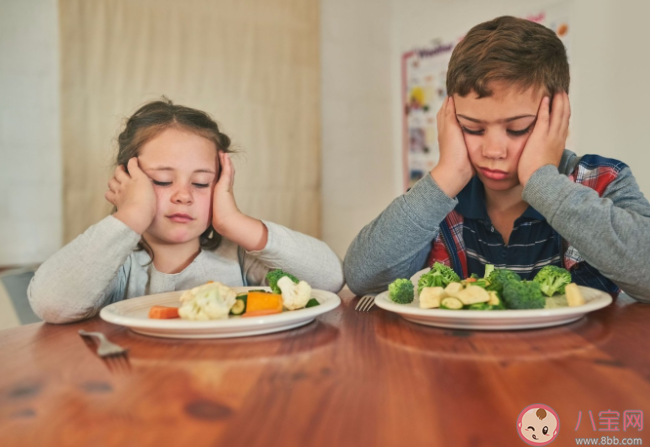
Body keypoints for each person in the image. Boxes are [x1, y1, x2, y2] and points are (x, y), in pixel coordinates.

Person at [343, 16, 650, 301]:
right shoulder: (440, 198)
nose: (493, 150)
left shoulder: (604, 179)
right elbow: (363, 277)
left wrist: (542, 180)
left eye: (517, 128)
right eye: (472, 128)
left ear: (559, 118)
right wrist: (446, 175)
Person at [29, 99, 344, 323]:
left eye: (202, 183)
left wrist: (234, 222)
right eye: (163, 181)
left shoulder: (239, 257)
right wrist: (130, 216)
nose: (183, 196)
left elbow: (329, 278)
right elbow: (52, 304)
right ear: (127, 181)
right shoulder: (116, 266)